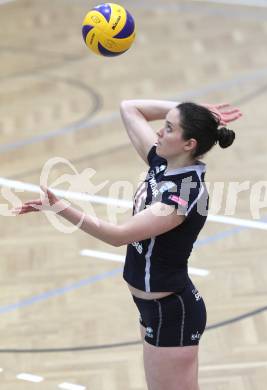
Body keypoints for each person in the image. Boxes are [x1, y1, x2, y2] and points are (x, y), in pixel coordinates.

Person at [14, 100, 242, 390]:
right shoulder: (163, 163)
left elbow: (118, 235)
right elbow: (129, 108)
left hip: (171, 311)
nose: (158, 132)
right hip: (152, 307)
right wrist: (191, 111)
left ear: (189, 144)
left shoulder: (184, 193)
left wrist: (61, 209)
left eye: (169, 128)